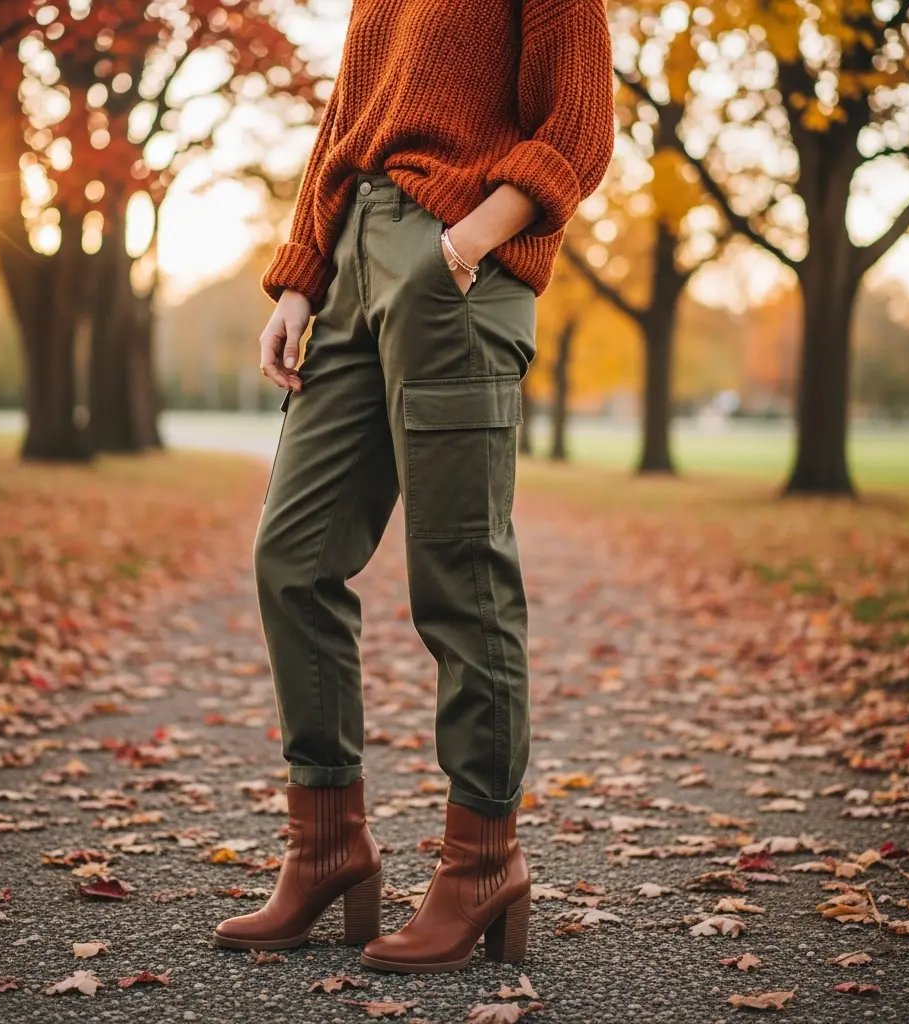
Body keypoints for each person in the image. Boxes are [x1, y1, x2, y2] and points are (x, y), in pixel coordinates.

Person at [214, 0, 615, 974]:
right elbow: (342, 131)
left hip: (454, 271)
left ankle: (480, 860)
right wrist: (303, 280)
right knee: (292, 556)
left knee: (456, 571)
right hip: (350, 265)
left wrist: (469, 240)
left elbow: (578, 127)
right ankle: (326, 845)